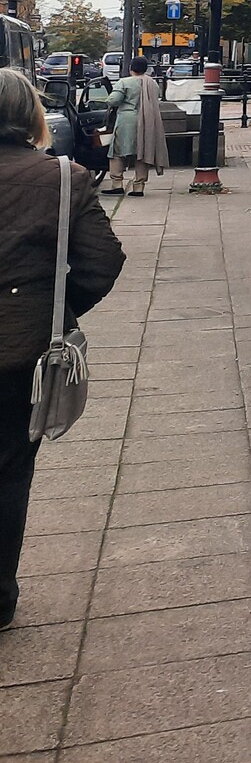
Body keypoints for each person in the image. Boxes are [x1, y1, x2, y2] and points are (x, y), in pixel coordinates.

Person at [0, 67, 124, 627]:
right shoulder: (62, 178)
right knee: (7, 469)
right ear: (31, 116)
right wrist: (51, 308)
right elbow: (102, 261)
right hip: (19, 353)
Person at [102, 58, 169, 197]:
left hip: (127, 120)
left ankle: (117, 184)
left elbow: (113, 100)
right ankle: (139, 187)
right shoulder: (153, 83)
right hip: (148, 120)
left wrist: (106, 100)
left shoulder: (124, 82)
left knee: (117, 152)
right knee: (142, 152)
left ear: (131, 68)